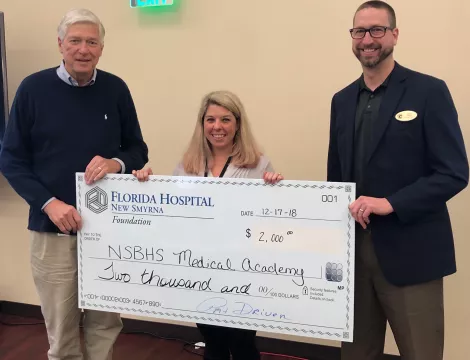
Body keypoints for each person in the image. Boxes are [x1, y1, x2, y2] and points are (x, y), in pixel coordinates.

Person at [0, 8, 148, 360]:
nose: (84, 49)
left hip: (108, 230)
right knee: (61, 327)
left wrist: (117, 162)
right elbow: (10, 158)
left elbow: (137, 150)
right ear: (60, 45)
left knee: (105, 321)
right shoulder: (33, 89)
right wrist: (48, 203)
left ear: (101, 48)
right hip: (52, 230)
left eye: (92, 42)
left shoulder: (115, 88)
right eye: (75, 41)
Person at [327, 1, 469, 359]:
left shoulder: (428, 91)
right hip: (353, 255)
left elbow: (453, 173)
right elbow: (335, 179)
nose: (367, 40)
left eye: (377, 30)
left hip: (412, 254)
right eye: (359, 31)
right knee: (356, 353)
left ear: (394, 34)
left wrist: (391, 203)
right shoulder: (342, 101)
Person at [134, 90, 283, 360]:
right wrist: (147, 185)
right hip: (200, 269)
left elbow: (269, 218)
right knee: (212, 341)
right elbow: (172, 211)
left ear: (238, 124)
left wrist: (274, 188)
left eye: (225, 119)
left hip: (242, 270)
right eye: (211, 120)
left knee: (241, 342)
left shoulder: (258, 165)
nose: (217, 127)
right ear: (202, 124)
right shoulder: (188, 165)